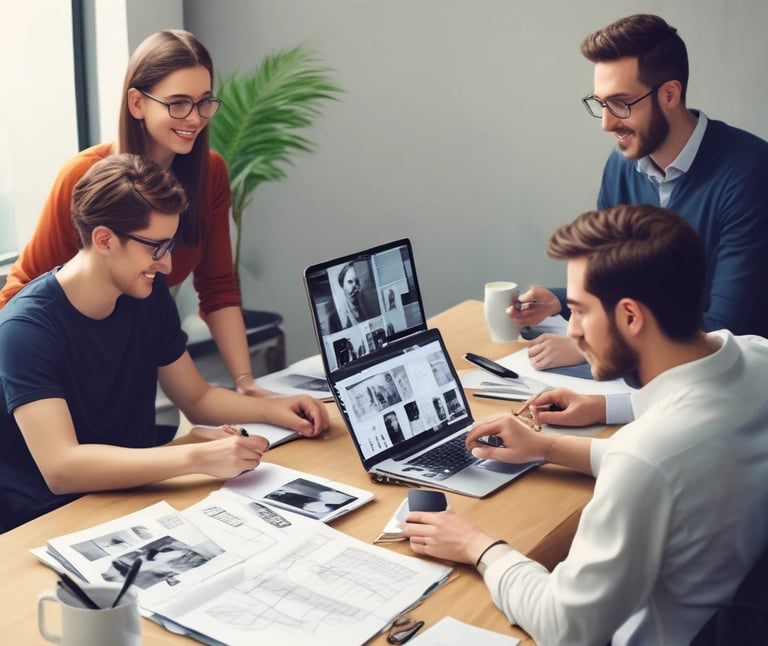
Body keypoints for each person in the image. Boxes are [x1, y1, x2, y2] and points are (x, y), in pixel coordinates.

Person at [403, 204, 768, 645]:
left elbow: (566, 628)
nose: (571, 331)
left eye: (578, 311)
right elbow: (681, 460)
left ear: (630, 316)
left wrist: (477, 546)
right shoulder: (756, 357)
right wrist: (548, 448)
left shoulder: (647, 458)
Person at [0, 154, 329, 534]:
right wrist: (197, 455)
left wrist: (274, 408)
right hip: (49, 518)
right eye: (156, 247)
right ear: (104, 239)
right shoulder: (24, 330)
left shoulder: (146, 292)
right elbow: (62, 468)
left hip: (135, 493)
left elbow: (196, 398)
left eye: (169, 245)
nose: (168, 265)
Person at [0, 29, 268, 397]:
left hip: (135, 353)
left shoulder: (210, 172)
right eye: (177, 103)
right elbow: (22, 292)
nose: (194, 118)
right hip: (63, 359)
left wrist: (245, 382)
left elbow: (218, 288)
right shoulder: (84, 175)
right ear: (137, 103)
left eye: (204, 102)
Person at [511, 13, 768, 373]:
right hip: (651, 384)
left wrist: (587, 349)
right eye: (601, 103)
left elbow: (728, 334)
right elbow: (616, 280)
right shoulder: (621, 166)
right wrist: (562, 301)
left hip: (727, 395)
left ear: (670, 94)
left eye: (621, 103)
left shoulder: (750, 173)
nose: (606, 123)